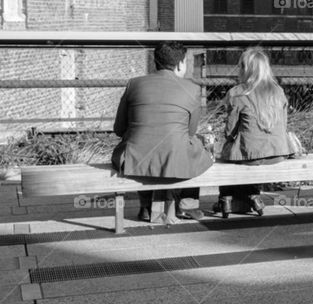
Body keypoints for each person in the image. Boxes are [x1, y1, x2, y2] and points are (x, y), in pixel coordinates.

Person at [112, 42, 214, 224]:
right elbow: (190, 132)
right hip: (175, 160)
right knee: (194, 148)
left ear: (155, 62)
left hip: (134, 161)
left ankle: (146, 206)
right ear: (181, 64)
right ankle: (185, 206)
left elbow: (119, 129)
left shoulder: (134, 84)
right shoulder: (192, 89)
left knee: (143, 148)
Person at [213, 47, 296, 218]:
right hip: (278, 153)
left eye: (241, 67)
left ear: (246, 69)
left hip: (252, 156)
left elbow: (229, 132)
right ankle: (253, 195)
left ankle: (226, 198)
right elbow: (284, 125)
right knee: (250, 152)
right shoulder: (278, 91)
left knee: (230, 151)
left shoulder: (237, 93)